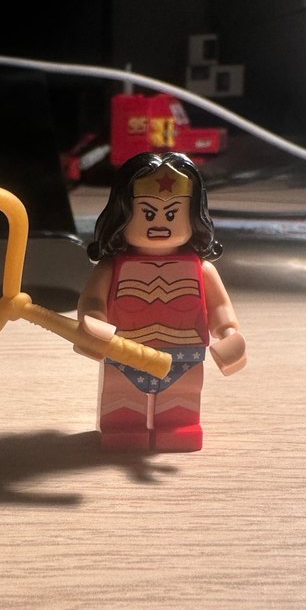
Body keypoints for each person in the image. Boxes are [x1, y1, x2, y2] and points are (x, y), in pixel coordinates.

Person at [77, 151, 247, 452]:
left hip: (184, 355)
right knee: (122, 399)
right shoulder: (111, 268)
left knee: (181, 399)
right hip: (125, 354)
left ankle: (177, 427)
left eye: (171, 214)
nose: (159, 224)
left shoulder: (202, 269)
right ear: (123, 214)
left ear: (192, 217)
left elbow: (220, 307)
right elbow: (92, 301)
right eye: (147, 213)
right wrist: (94, 323)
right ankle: (123, 427)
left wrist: (229, 332)